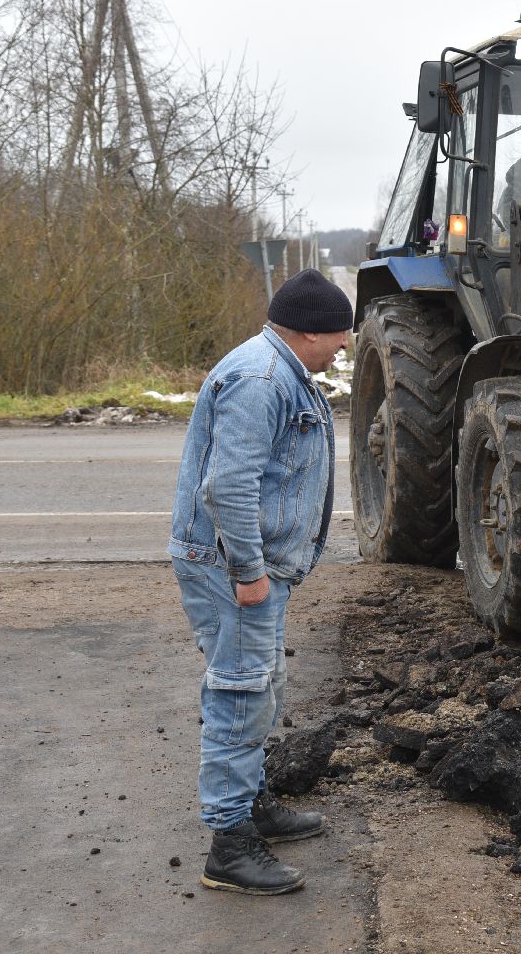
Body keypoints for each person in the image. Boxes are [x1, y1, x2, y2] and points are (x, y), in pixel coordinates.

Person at [169, 268, 353, 895]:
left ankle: (249, 803)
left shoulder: (281, 370)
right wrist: (247, 571)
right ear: (309, 331)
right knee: (241, 694)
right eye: (340, 333)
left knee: (261, 684)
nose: (345, 345)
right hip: (233, 568)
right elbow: (229, 485)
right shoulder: (261, 379)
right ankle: (229, 844)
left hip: (252, 566)